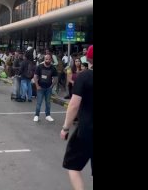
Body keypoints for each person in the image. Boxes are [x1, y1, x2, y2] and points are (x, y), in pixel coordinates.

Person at [60, 45, 93, 190]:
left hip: (86, 131)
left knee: (73, 166)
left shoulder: (84, 77)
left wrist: (65, 128)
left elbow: (73, 105)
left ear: (89, 58)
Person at [33, 54, 58, 122]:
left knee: (48, 103)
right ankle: (36, 115)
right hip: (40, 88)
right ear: (44, 59)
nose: (48, 60)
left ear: (51, 60)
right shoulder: (39, 67)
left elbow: (55, 78)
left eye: (49, 59)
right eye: (46, 59)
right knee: (39, 102)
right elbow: (35, 76)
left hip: (48, 88)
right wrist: (37, 86)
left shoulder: (53, 68)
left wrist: (51, 86)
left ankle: (48, 115)